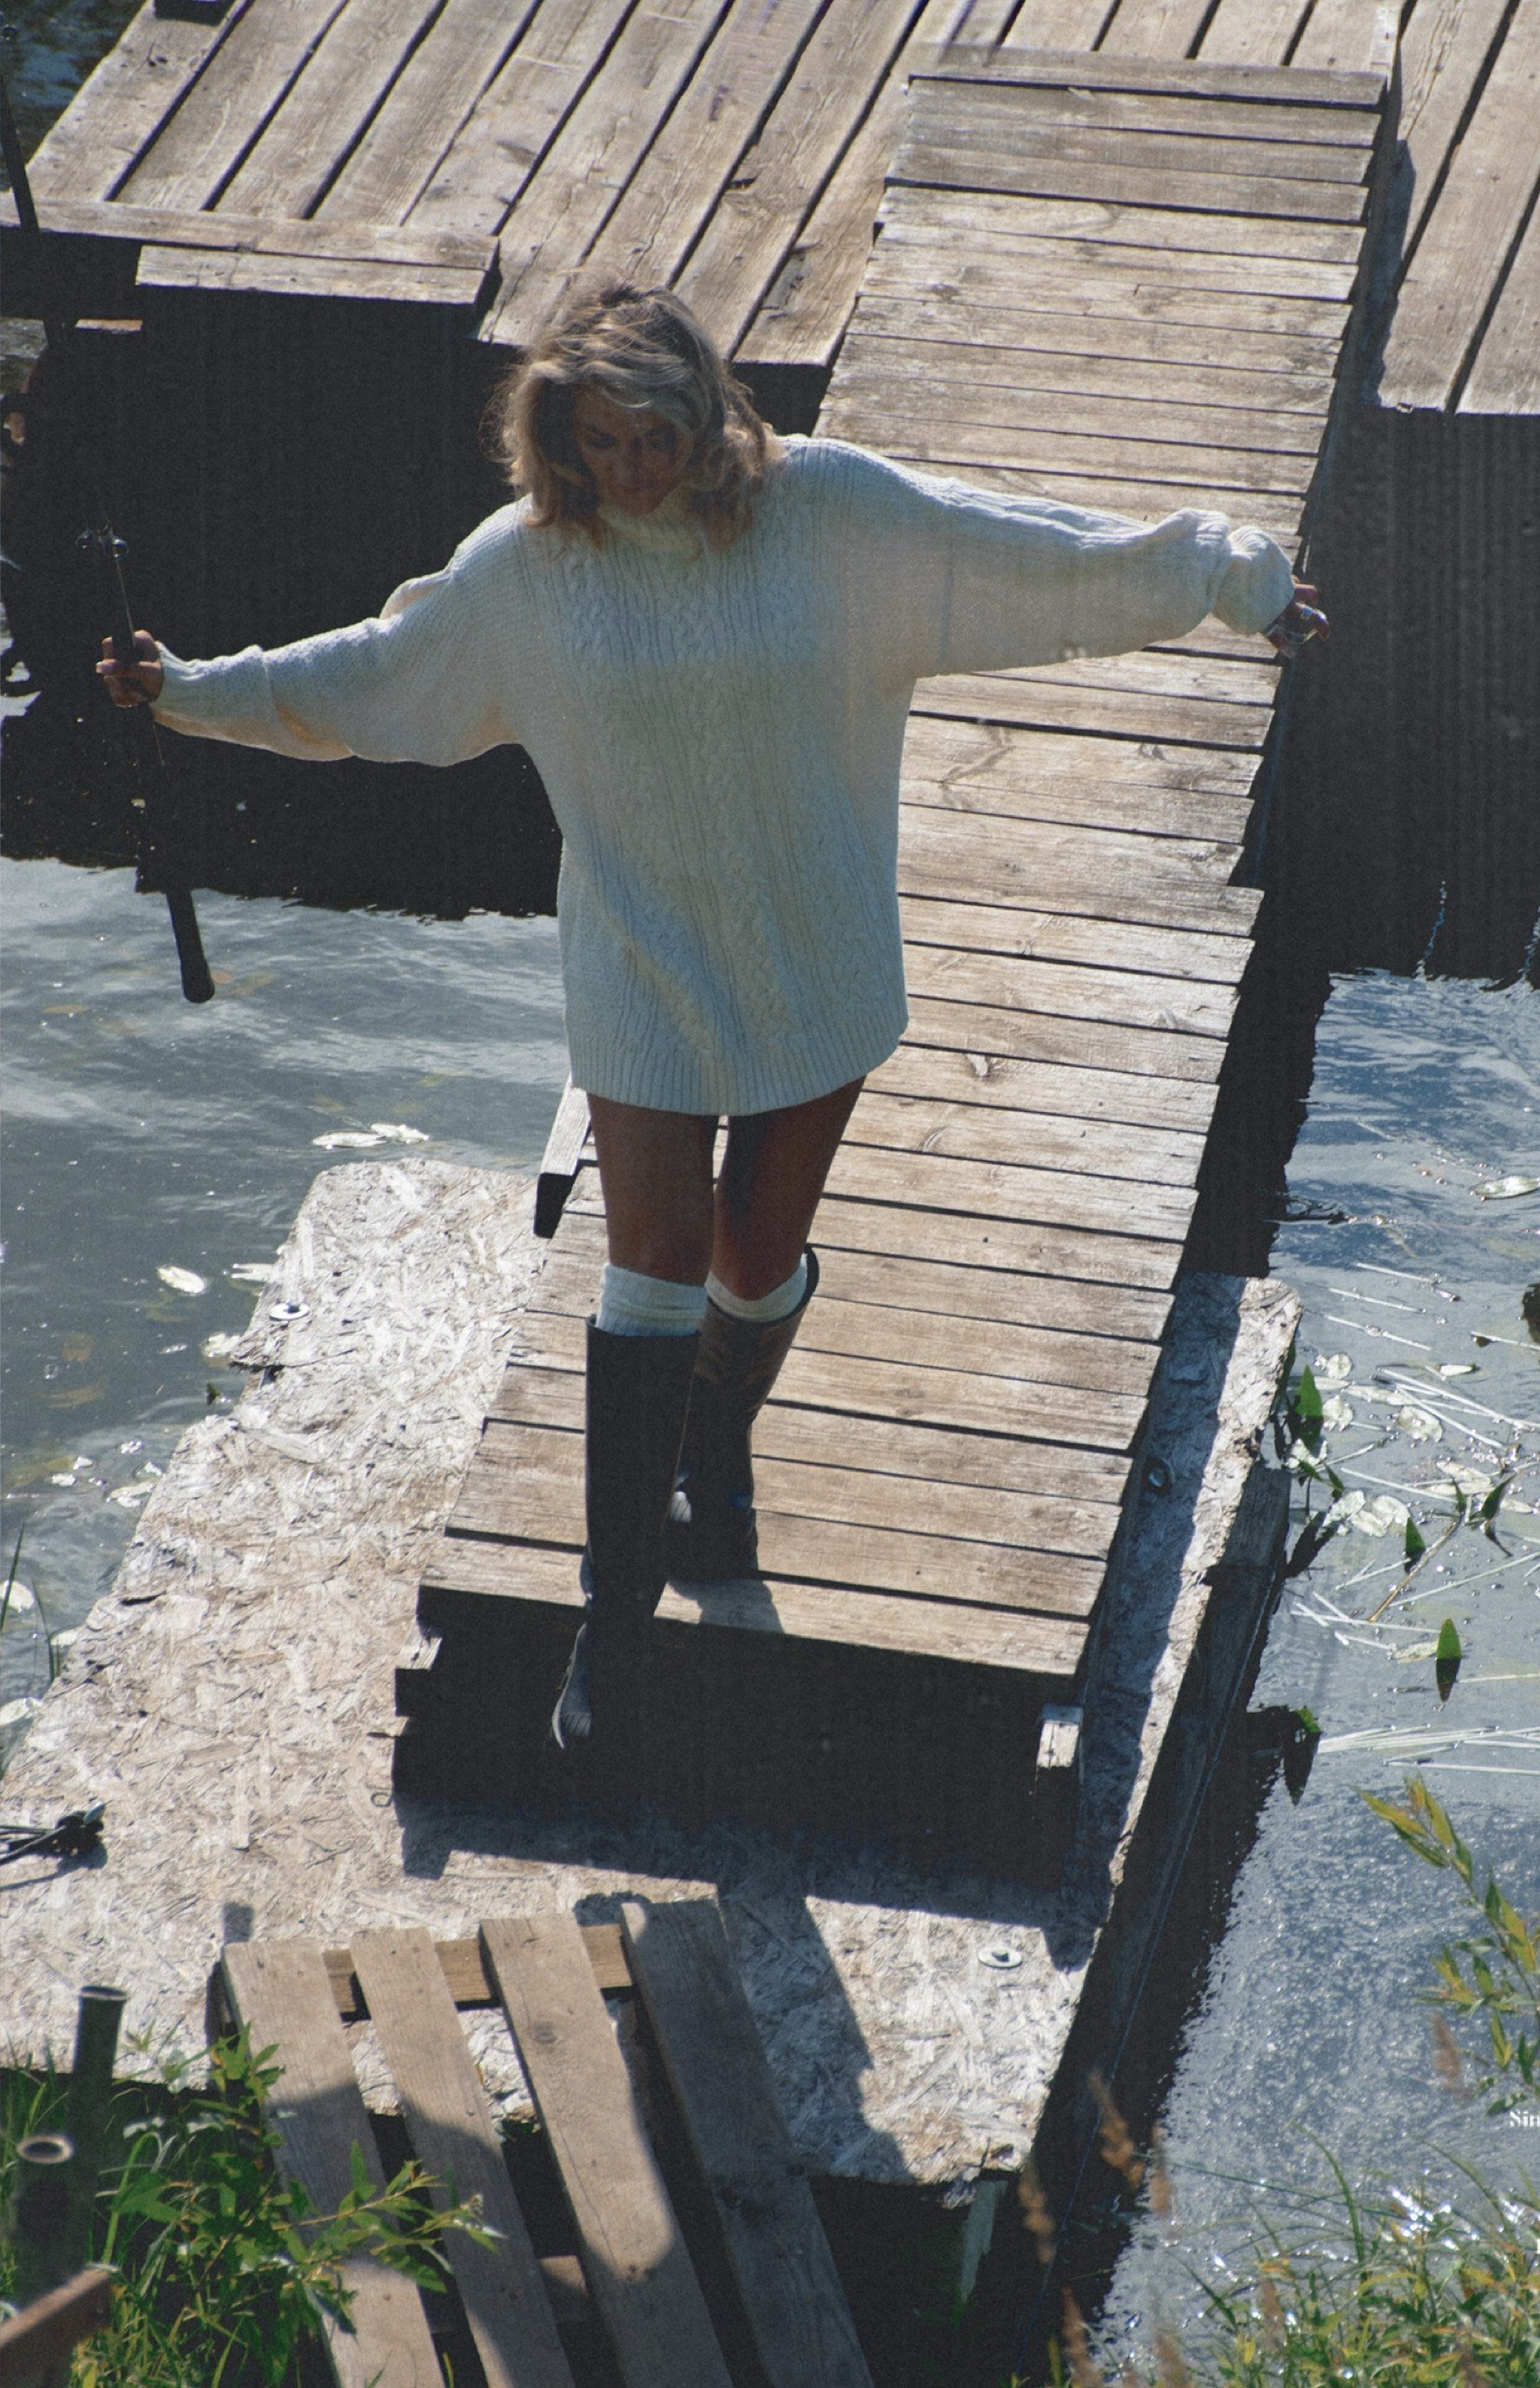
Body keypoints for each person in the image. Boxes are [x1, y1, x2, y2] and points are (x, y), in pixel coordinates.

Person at [100, 278, 1325, 1756]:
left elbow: (1033, 556)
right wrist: (185, 692)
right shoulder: (526, 573)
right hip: (638, 955)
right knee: (655, 1258)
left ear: (709, 412)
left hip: (810, 946)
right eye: (600, 442)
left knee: (756, 1257)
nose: (632, 468)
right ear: (558, 439)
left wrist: (1224, 570)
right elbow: (369, 678)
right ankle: (611, 1625)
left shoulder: (833, 514)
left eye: (656, 435)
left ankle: (720, 1447)